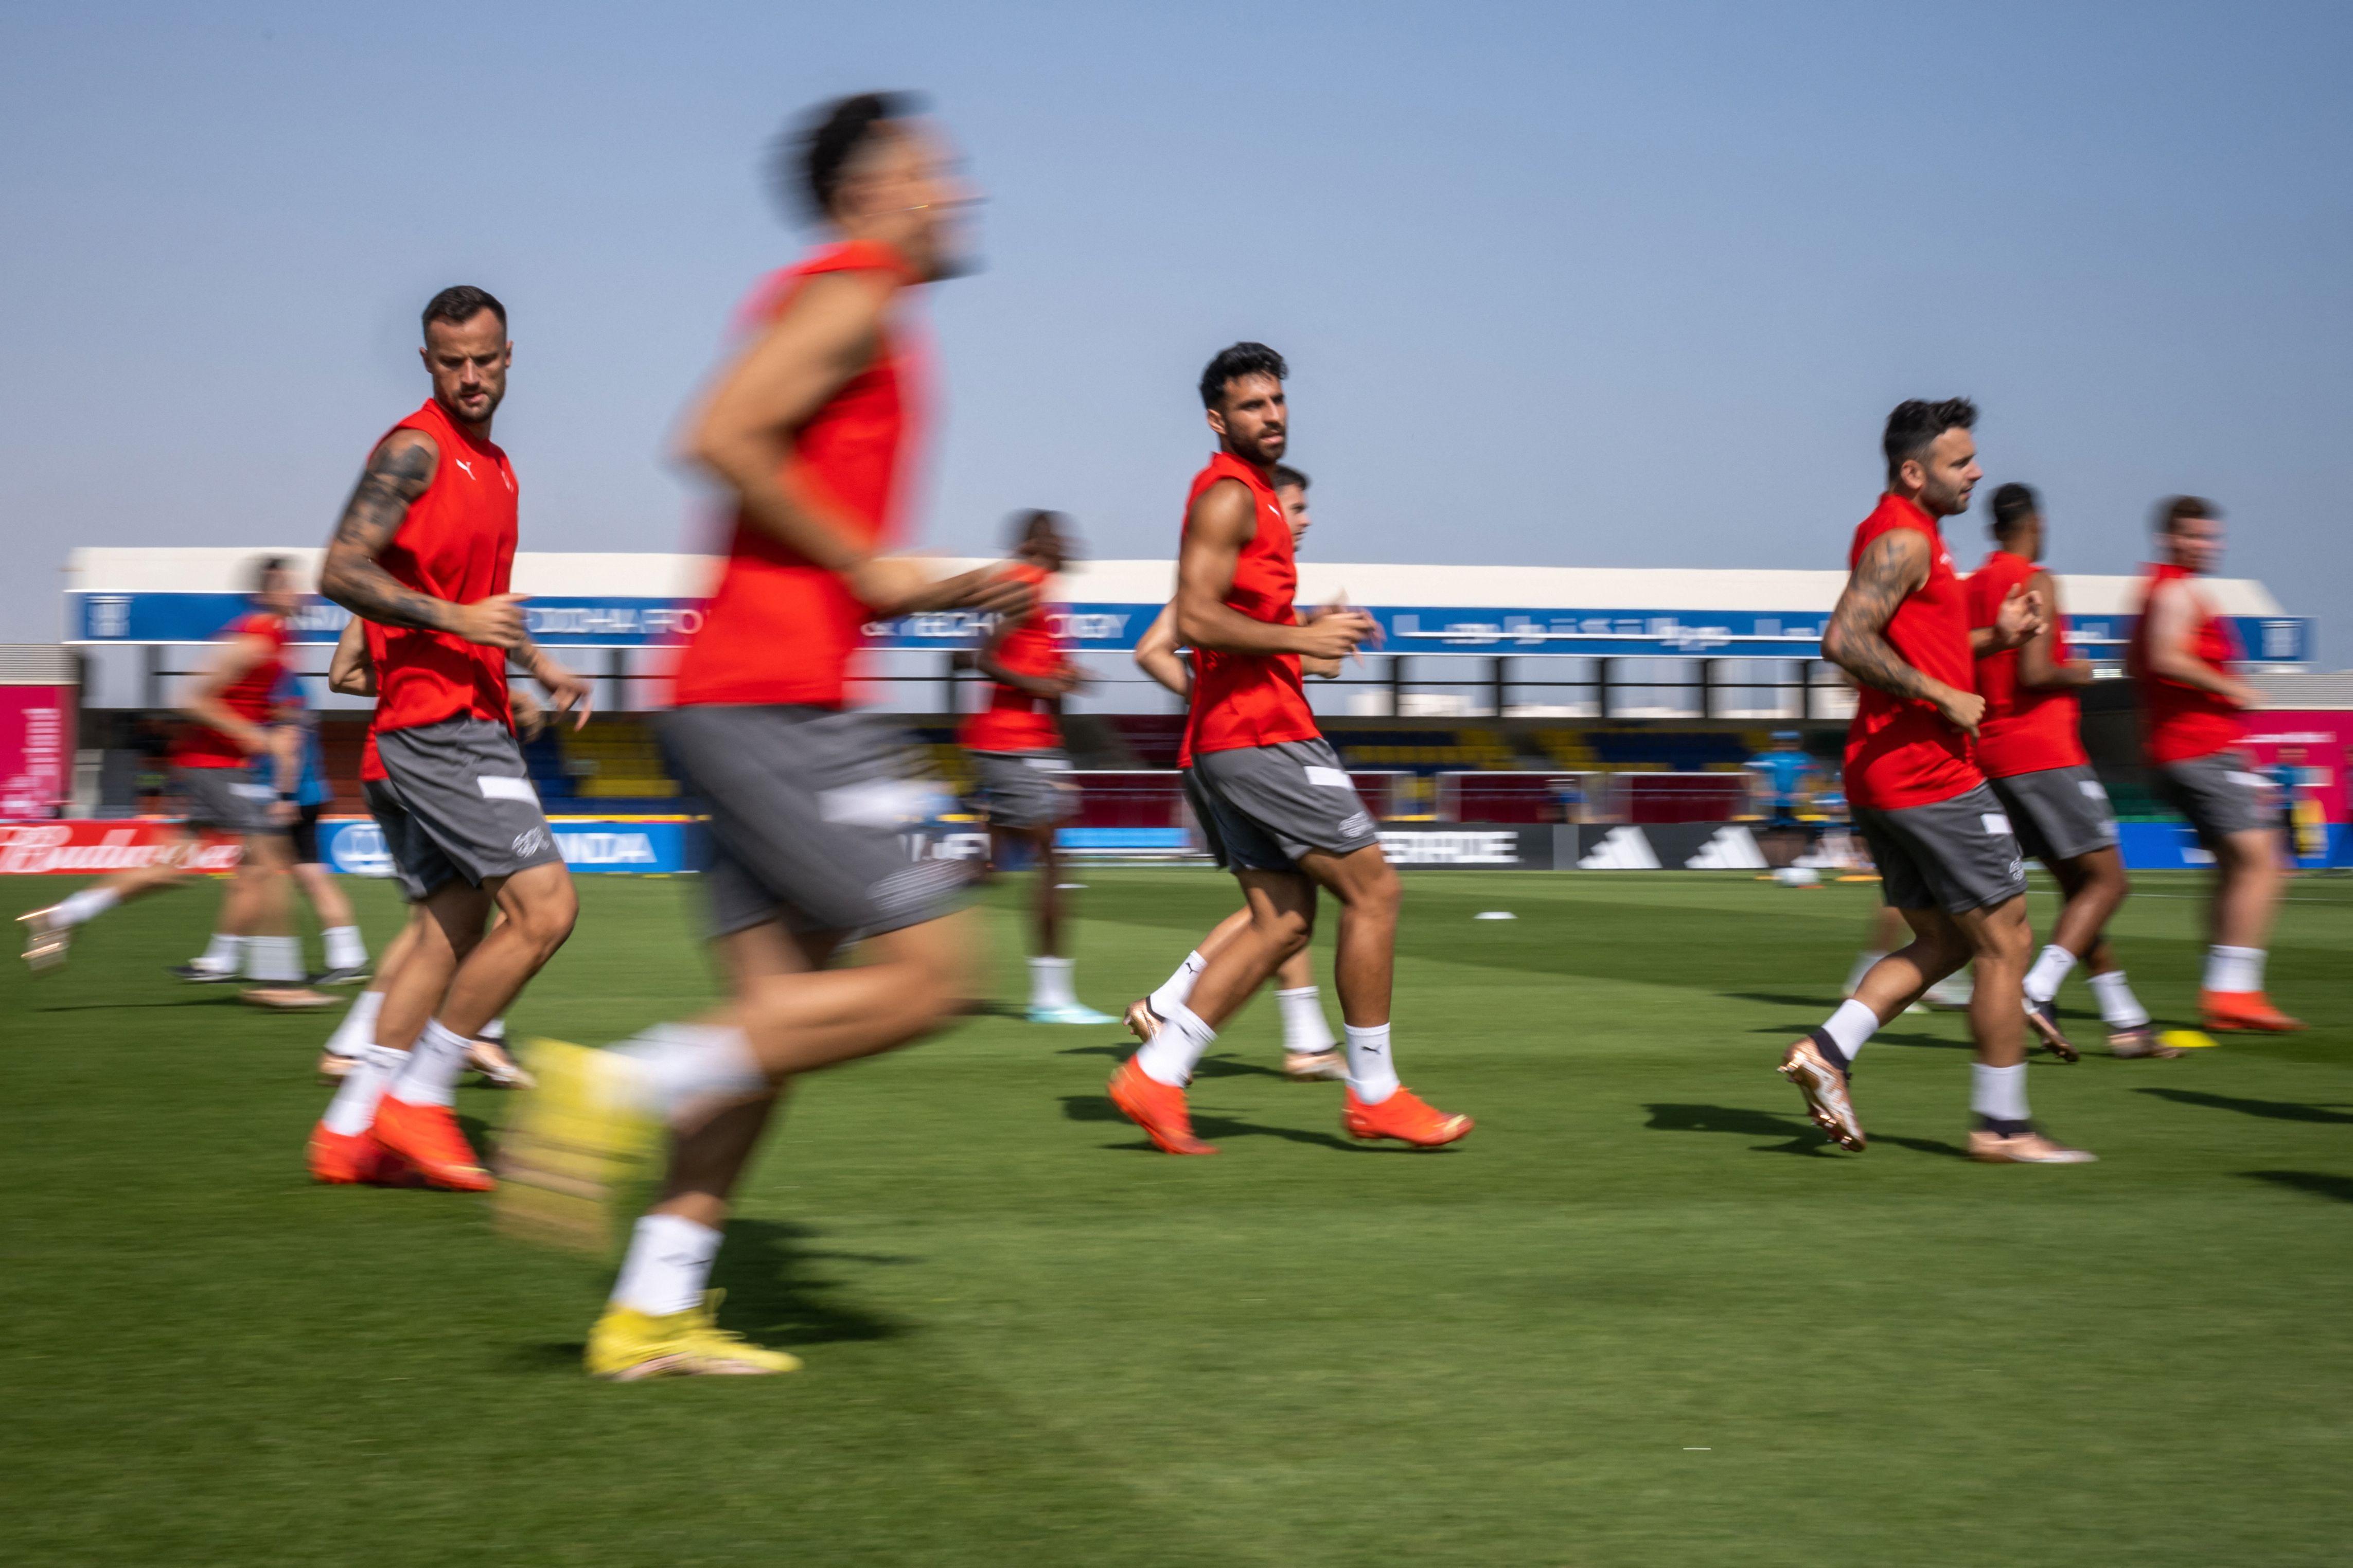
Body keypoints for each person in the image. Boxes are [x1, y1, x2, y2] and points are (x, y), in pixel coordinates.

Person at [496, 93, 1034, 1379]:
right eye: (932, 172)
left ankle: (653, 1307)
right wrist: (882, 572)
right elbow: (718, 434)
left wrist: (929, 583)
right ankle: (609, 1087)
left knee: (778, 1026)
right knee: (935, 976)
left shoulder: (854, 304)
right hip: (775, 699)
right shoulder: (852, 293)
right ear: (868, 193)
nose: (956, 191)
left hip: (737, 695)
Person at [1104, 342, 1471, 1155]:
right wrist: (1298, 642)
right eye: (1251, 406)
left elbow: (1236, 627)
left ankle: (1158, 1075)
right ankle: (1374, 1092)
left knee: (1282, 921)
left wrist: (1306, 631)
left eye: (1277, 402)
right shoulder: (1228, 496)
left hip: (1239, 735)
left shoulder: (1263, 500)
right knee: (1374, 893)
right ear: (1217, 419)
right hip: (1261, 735)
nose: (1271, 416)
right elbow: (1193, 621)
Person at [304, 283, 592, 1192]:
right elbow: (339, 569)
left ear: (511, 356)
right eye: (451, 361)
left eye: (485, 359)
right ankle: (421, 1098)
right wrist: (456, 620)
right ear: (428, 362)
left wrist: (536, 661)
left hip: (455, 720)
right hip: (438, 726)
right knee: (545, 910)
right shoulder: (414, 448)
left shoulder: (497, 466)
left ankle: (348, 1130)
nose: (470, 376)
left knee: (449, 928)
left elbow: (481, 603)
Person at [1779, 398, 2094, 1163]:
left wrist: (1999, 636)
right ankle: (2001, 1127)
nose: (1977, 473)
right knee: (2007, 940)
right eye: (1961, 462)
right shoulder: (1901, 537)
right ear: (1915, 471)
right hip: (1927, 771)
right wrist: (1942, 696)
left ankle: (1828, 1050)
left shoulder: (1916, 539)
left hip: (1889, 774)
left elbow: (1931, 644)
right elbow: (1844, 638)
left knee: (1947, 942)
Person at [18, 555, 330, 1008]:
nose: (297, 591)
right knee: (269, 859)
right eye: (287, 584)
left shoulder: (281, 640)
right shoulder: (255, 638)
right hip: (213, 767)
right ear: (265, 593)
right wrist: (256, 738)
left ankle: (63, 916)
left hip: (212, 766)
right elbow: (188, 697)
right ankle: (278, 983)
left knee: (175, 870)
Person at [1129, 461, 1345, 1080]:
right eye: (1295, 508)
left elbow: (1304, 669)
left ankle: (1302, 1040)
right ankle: (1168, 1007)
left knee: (1280, 905)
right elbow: (1149, 648)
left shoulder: (1267, 593)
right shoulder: (1219, 577)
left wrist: (1323, 637)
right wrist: (1206, 697)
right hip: (1236, 751)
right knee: (1280, 908)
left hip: (1244, 746)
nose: (1302, 522)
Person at [1967, 483, 2168, 1057]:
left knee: (2080, 891)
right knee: (2109, 882)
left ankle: (2125, 1022)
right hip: (2044, 752)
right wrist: (2079, 672)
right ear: (2036, 521)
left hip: (1994, 754)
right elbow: (2035, 671)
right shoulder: (2037, 578)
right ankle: (2036, 989)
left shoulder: (1969, 587)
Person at [311, 616, 528, 1089]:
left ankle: (356, 1047)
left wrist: (407, 682)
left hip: (382, 763)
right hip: (438, 762)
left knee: (437, 921)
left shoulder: (373, 598)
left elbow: (342, 676)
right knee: (507, 910)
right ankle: (474, 1037)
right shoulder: (453, 589)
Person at [2127, 497, 2301, 1031]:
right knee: (2264, 861)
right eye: (2194, 537)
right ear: (2170, 539)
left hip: (2188, 748)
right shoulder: (2176, 590)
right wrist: (2232, 687)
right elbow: (2166, 657)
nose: (2205, 547)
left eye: (2210, 537)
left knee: (2236, 867)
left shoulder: (2161, 589)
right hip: (2197, 748)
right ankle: (2234, 991)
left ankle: (2223, 990)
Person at [962, 509, 1114, 1024]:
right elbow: (980, 658)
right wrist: (1043, 686)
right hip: (1010, 744)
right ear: (1033, 544)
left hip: (1030, 744)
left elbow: (1037, 671)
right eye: (1055, 535)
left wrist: (1065, 678)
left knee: (991, 867)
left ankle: (877, 900)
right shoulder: (1024, 584)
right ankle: (1050, 997)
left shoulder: (1046, 596)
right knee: (1053, 859)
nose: (1068, 541)